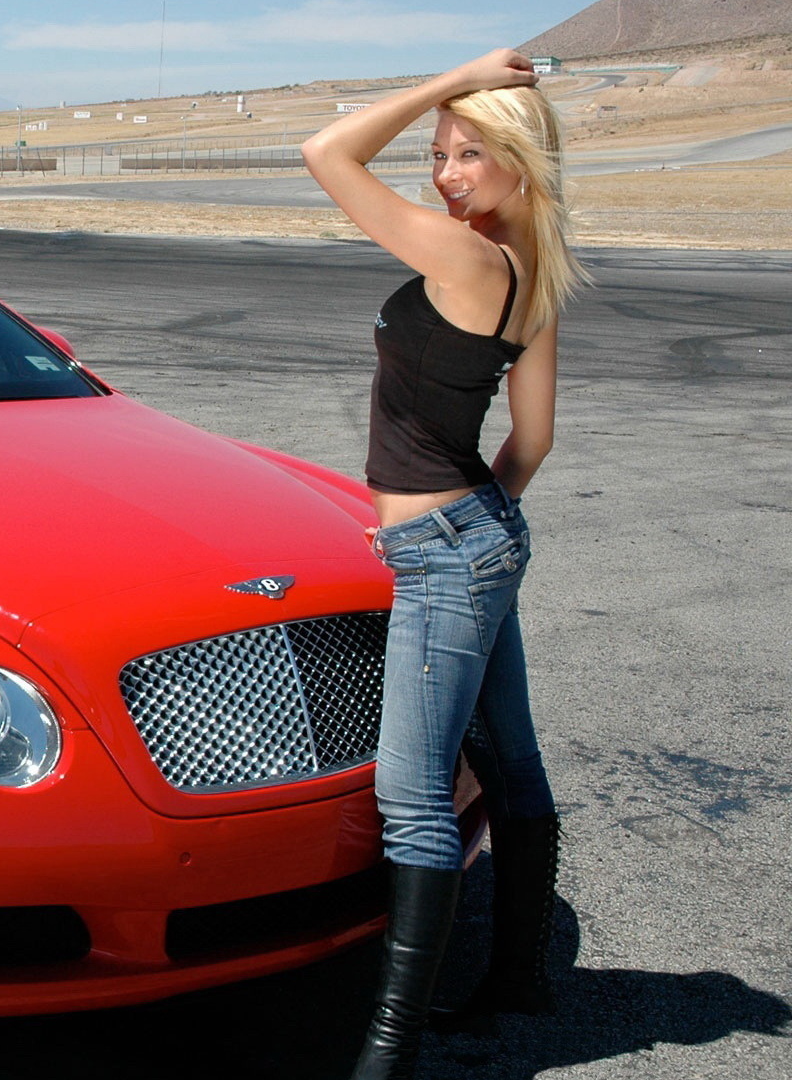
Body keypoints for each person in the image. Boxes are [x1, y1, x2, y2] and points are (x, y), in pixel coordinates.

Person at [302, 48, 587, 1079]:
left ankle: (389, 1049)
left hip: (451, 551)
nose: (446, 172)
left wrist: (448, 77)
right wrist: (473, 531)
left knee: (413, 797)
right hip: (480, 535)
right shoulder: (531, 271)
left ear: (520, 159)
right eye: (439, 153)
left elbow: (327, 150)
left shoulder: (465, 262)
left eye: (471, 153)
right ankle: (519, 977)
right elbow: (535, 441)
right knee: (511, 760)